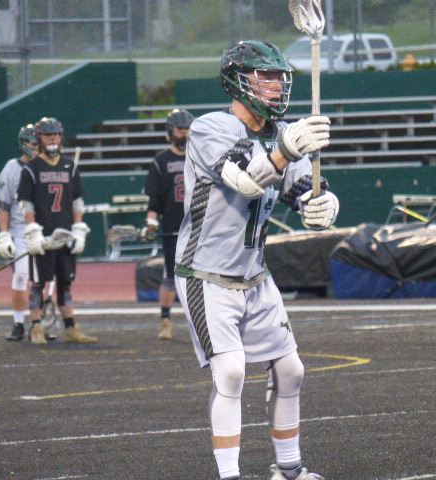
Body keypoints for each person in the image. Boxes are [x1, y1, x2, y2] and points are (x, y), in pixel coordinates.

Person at [173, 41, 338, 480]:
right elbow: (246, 180)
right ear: (237, 80)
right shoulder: (211, 128)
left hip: (254, 274)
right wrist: (287, 150)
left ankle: (289, 469)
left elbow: (302, 191)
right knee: (230, 373)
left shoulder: (279, 132)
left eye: (279, 77)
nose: (276, 85)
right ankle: (230, 476)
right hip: (206, 273)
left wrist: (322, 204)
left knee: (291, 370)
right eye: (265, 76)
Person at [17, 116, 97, 345]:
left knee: (65, 282)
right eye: (48, 136)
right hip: (43, 235)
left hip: (65, 234)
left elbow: (77, 202)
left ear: (61, 137)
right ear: (39, 139)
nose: (52, 139)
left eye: (56, 135)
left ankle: (70, 328)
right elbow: (26, 204)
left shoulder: (70, 166)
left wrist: (79, 229)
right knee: (38, 283)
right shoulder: (31, 168)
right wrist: (33, 232)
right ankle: (36, 327)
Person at [140, 108, 194, 340]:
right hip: (173, 227)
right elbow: (154, 199)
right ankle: (165, 320)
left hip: (200, 226)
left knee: (203, 276)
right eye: (180, 130)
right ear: (171, 131)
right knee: (171, 275)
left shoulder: (201, 156)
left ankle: (204, 320)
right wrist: (151, 223)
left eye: (187, 129)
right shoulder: (161, 161)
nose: (184, 134)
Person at [0, 125, 38, 341]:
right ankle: (18, 323)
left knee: (43, 280)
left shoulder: (47, 166)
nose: (36, 147)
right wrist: (4, 234)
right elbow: (4, 205)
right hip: (20, 231)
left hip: (44, 230)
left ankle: (39, 323)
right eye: (33, 143)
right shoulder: (12, 167)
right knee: (21, 276)